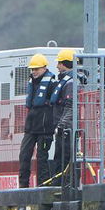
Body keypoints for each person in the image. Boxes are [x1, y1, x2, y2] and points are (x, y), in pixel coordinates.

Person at [17, 52, 54, 188]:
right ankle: (23, 186)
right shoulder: (32, 82)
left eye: (36, 69)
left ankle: (43, 186)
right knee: (24, 155)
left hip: (45, 128)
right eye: (32, 69)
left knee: (42, 158)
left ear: (44, 68)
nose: (34, 72)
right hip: (31, 127)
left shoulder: (51, 84)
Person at [47, 49, 77, 187]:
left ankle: (63, 186)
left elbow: (71, 106)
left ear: (65, 63)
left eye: (59, 63)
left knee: (63, 158)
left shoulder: (70, 83)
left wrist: (61, 125)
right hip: (64, 128)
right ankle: (60, 184)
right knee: (60, 158)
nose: (58, 66)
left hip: (66, 129)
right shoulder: (68, 81)